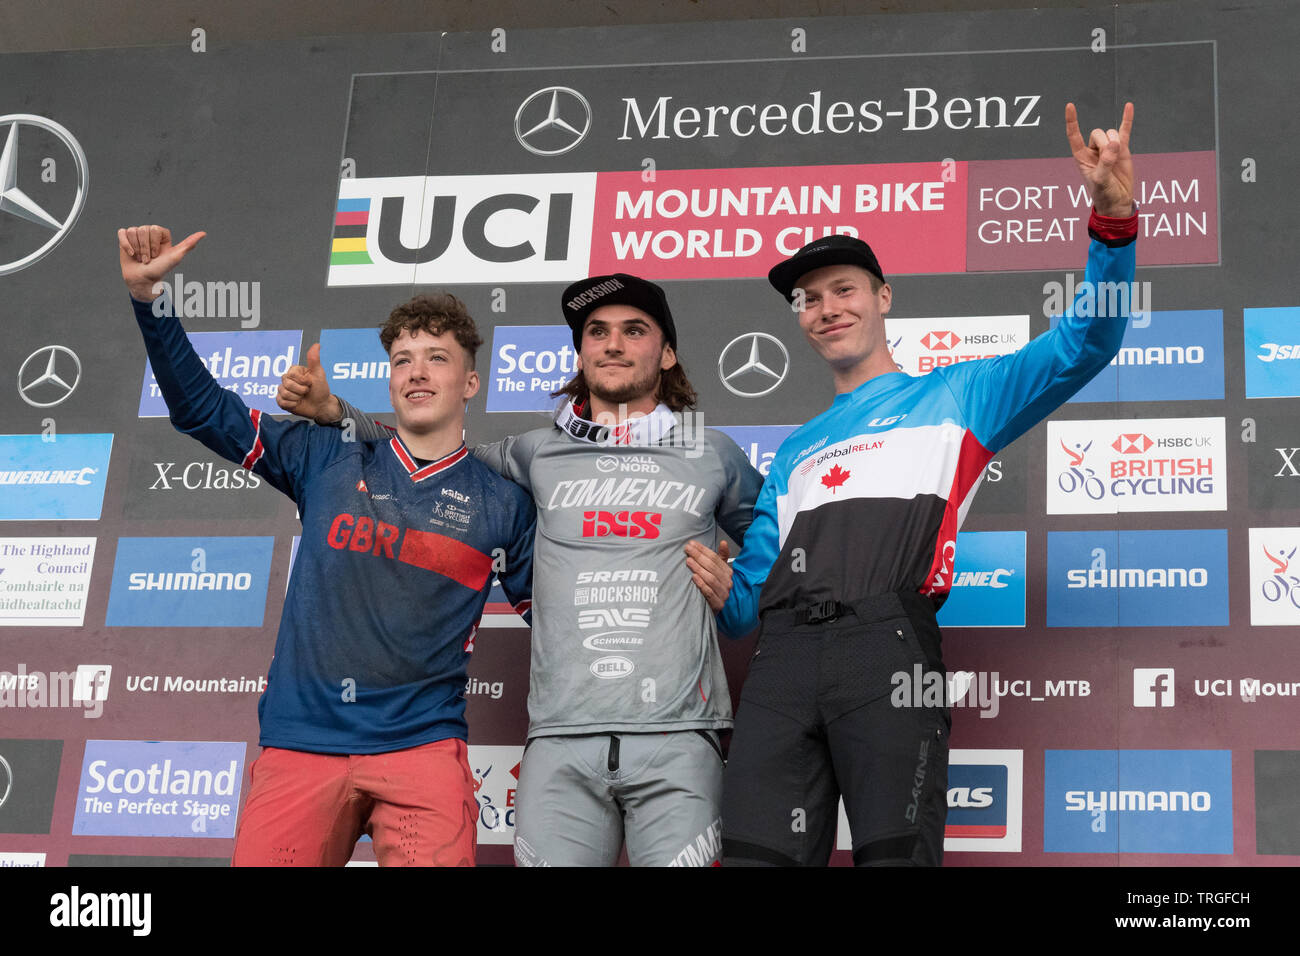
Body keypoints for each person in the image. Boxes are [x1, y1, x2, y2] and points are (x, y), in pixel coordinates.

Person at [684, 102, 1140, 866]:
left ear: (883, 296)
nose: (828, 309)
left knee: (897, 857)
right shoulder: (795, 450)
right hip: (783, 665)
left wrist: (1114, 219)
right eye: (810, 299)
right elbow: (743, 612)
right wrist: (710, 579)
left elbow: (1086, 342)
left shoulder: (959, 398)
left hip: (887, 653)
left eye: (844, 289)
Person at [278, 273, 763, 866]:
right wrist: (336, 411)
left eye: (633, 331)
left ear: (665, 353)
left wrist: (739, 600)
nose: (612, 344)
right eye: (596, 332)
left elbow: (781, 549)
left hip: (679, 733)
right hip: (560, 737)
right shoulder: (534, 452)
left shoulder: (714, 453)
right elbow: (427, 454)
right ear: (581, 352)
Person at [119, 224, 535, 866]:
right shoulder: (324, 455)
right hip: (302, 744)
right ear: (389, 379)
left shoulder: (504, 502)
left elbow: (564, 624)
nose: (417, 373)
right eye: (403, 360)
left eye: (437, 358)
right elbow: (202, 410)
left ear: (471, 383)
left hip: (422, 751)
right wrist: (152, 302)